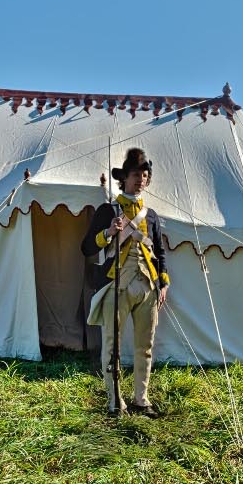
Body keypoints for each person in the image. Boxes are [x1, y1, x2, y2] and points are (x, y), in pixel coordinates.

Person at [81, 147, 169, 417]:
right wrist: (108, 232)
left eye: (144, 175)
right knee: (111, 344)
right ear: (124, 179)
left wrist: (163, 282)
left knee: (145, 345)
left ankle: (141, 399)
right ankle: (114, 402)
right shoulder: (108, 210)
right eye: (135, 174)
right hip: (115, 286)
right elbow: (86, 247)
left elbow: (159, 252)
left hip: (147, 288)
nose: (140, 179)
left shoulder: (150, 215)